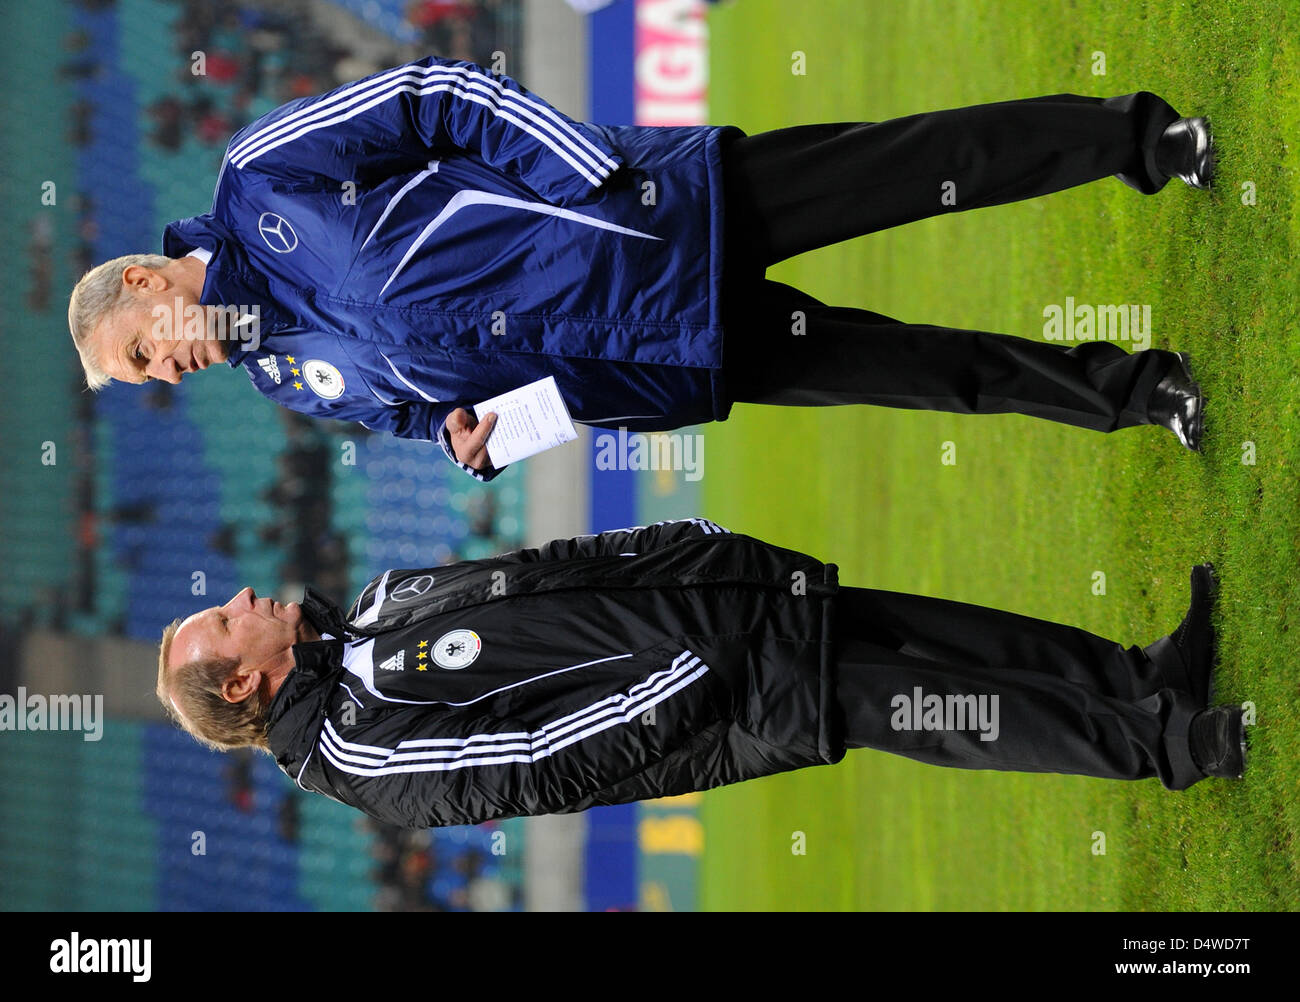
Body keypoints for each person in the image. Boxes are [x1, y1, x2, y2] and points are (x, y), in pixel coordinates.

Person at [70, 56, 1213, 482]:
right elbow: (417, 416)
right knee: (924, 376)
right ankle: (1137, 393)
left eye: (140, 358)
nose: (163, 373)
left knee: (925, 167)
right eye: (144, 381)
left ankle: (1138, 139)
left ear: (145, 282)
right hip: (649, 360)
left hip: (665, 220)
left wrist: (584, 177)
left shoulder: (260, 176)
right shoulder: (280, 380)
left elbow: (436, 98)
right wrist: (461, 439)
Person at [156, 518, 1245, 830]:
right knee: (955, 712)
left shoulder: (380, 603)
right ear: (241, 687)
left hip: (725, 603)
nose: (243, 598)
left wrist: (681, 549)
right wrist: (696, 676)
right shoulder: (354, 747)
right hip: (731, 693)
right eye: (224, 621)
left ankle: (1142, 673)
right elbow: (538, 762)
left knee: (953, 640)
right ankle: (1167, 748)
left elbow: (543, 570)